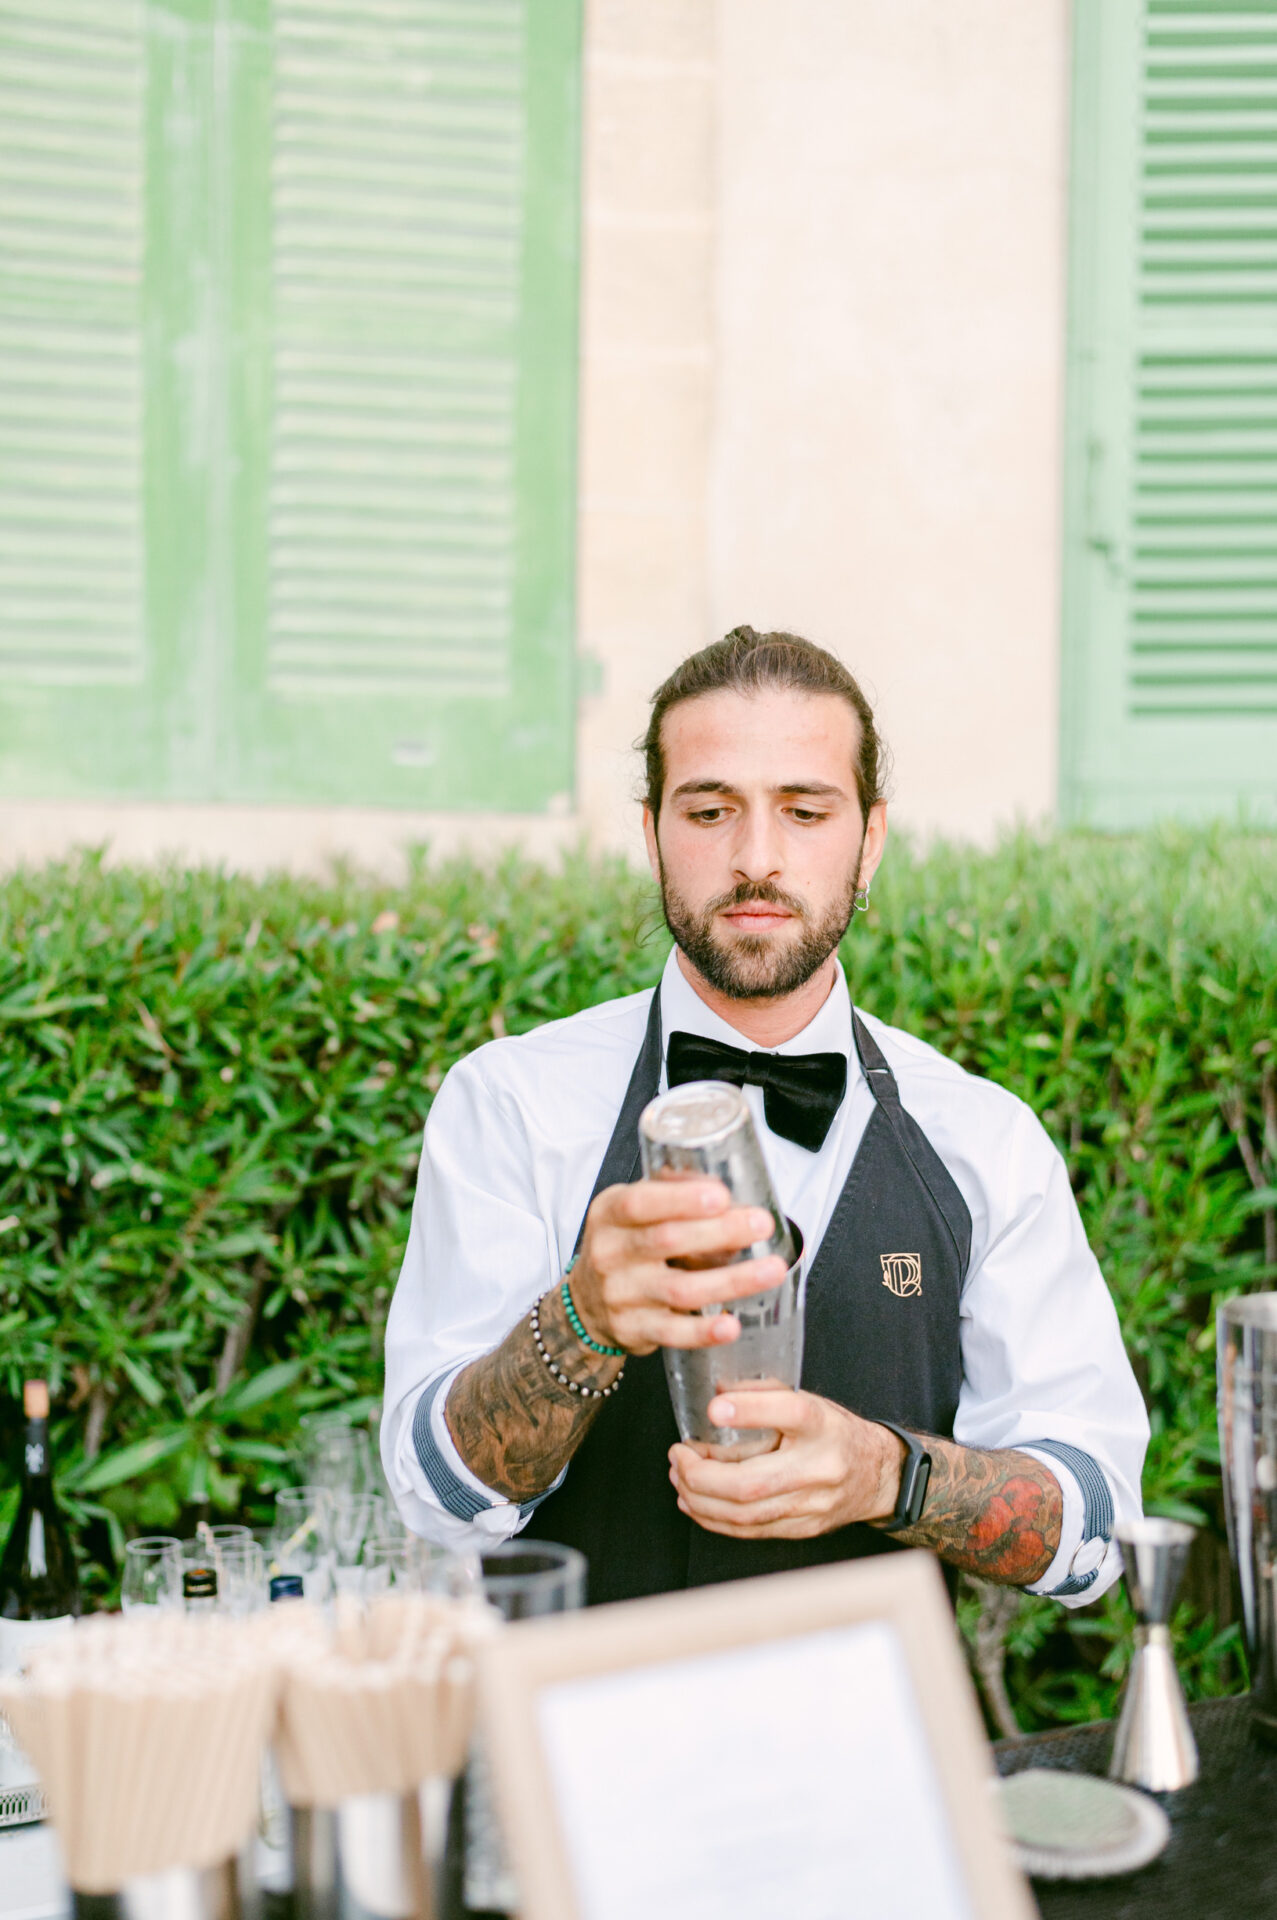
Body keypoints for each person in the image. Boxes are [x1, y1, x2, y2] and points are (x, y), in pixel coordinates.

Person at [382, 628, 1148, 1606]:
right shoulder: (510, 1103)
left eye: (803, 810)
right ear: (651, 829)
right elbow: (435, 1505)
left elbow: (1090, 1535)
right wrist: (582, 1317)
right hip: (575, 1738)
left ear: (867, 838)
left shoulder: (985, 1140)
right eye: (709, 810)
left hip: (878, 1743)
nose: (755, 859)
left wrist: (885, 1474)